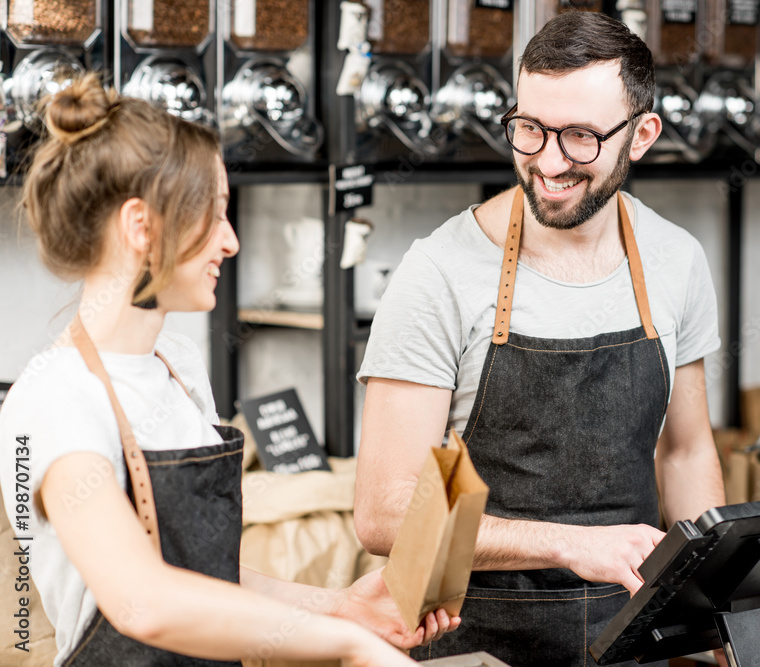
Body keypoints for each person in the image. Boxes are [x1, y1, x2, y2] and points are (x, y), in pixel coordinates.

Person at [0, 74, 458, 667]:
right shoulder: (55, 399)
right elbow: (144, 601)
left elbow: (209, 580)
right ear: (143, 227)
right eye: (214, 215)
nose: (232, 241)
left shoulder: (180, 368)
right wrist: (344, 645)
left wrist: (344, 608)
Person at [354, 10, 726, 667]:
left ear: (642, 135)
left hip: (631, 643)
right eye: (530, 129)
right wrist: (568, 544)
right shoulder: (439, 272)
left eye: (580, 136)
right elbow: (385, 515)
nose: (548, 162)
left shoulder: (677, 260)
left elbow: (686, 454)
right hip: (471, 645)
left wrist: (722, 629)